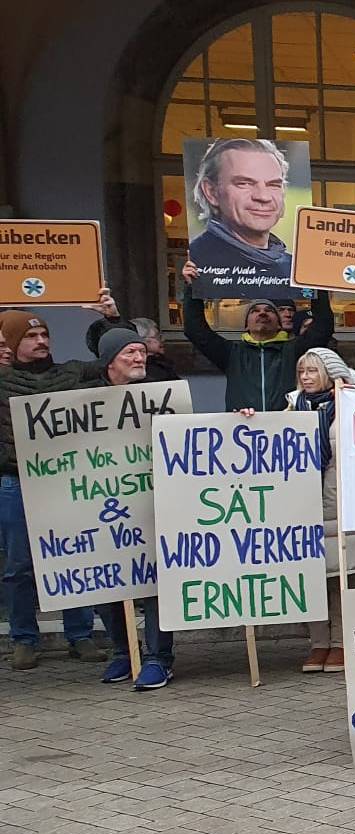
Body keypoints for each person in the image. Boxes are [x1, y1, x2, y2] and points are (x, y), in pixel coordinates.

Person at [0, 309, 110, 669]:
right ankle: (24, 639)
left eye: (44, 335)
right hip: (15, 481)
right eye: (31, 337)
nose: (41, 341)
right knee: (19, 565)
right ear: (13, 344)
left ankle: (79, 635)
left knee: (72, 556)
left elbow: (114, 360)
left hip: (64, 481)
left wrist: (110, 320)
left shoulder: (71, 374)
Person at [259, 346, 355, 673]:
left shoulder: (354, 403)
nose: (306, 378)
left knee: (345, 578)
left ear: (330, 373)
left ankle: (342, 644)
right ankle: (318, 643)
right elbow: (268, 441)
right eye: (302, 372)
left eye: (312, 371)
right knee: (314, 578)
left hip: (344, 503)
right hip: (305, 505)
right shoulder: (292, 406)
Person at [90, 328, 175, 689]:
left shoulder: (162, 393)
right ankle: (123, 653)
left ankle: (159, 658)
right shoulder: (86, 403)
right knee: (107, 579)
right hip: (103, 504)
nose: (139, 358)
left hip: (151, 501)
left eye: (142, 351)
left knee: (154, 579)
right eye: (130, 353)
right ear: (110, 361)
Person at [179, 259, 334, 411]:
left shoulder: (293, 351)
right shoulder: (232, 354)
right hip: (245, 431)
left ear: (279, 324)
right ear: (246, 325)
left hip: (287, 430)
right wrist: (192, 287)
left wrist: (317, 285)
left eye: (269, 310)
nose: (262, 313)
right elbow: (195, 330)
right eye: (255, 311)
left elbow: (322, 327)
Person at [187, 137, 294, 295]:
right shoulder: (199, 263)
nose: (263, 196)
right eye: (244, 183)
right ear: (211, 191)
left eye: (273, 185)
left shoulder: (294, 268)